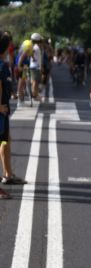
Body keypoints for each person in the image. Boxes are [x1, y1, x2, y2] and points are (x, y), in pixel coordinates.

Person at [0, 31, 27, 199]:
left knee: (5, 139)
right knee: (2, 140)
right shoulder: (1, 65)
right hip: (0, 110)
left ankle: (8, 175)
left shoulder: (4, 63)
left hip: (3, 110)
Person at [15, 39, 33, 106]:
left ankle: (21, 100)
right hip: (22, 68)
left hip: (23, 68)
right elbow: (21, 58)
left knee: (22, 84)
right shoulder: (27, 49)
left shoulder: (25, 48)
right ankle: (20, 101)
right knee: (21, 85)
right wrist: (20, 66)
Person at [29, 32, 43, 100]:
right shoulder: (35, 47)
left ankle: (35, 94)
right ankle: (34, 95)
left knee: (36, 81)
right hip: (35, 66)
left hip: (36, 66)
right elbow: (31, 52)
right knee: (35, 81)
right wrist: (33, 58)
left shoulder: (35, 46)